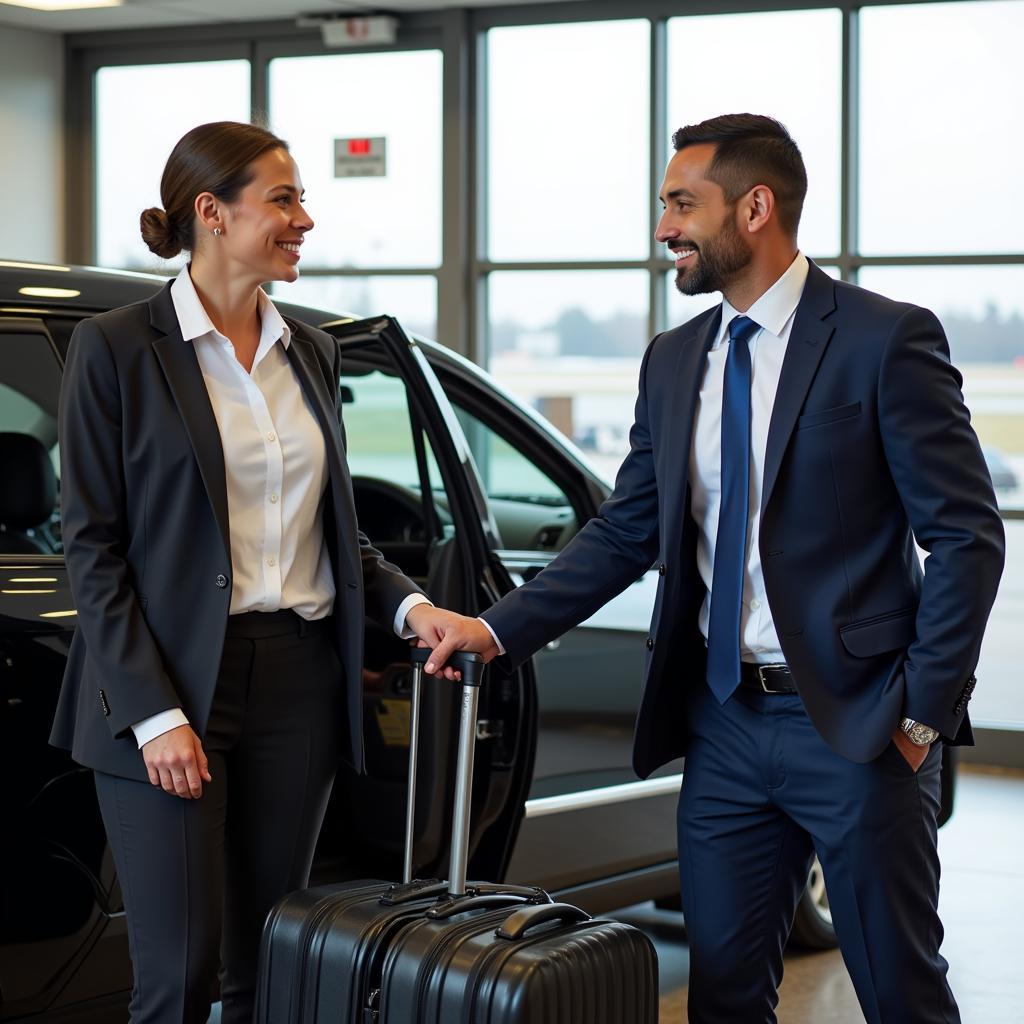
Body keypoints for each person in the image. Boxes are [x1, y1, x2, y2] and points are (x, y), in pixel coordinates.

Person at [424, 113, 1005, 1023]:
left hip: (857, 726)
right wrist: (496, 627)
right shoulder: (673, 359)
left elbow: (967, 535)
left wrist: (923, 718)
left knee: (900, 990)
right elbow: (627, 532)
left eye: (682, 203)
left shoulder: (883, 340)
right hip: (725, 725)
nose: (665, 229)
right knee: (725, 996)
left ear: (757, 207)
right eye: (666, 206)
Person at [50, 120, 452, 1024]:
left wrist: (411, 607)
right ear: (212, 212)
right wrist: (157, 718)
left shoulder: (310, 350)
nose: (304, 218)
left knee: (273, 963)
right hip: (166, 686)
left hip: (298, 681)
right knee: (179, 973)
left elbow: (333, 534)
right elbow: (94, 550)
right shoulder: (116, 347)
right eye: (284, 198)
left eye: (301, 198)